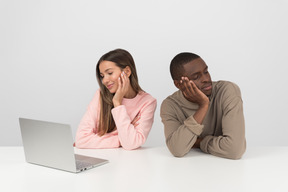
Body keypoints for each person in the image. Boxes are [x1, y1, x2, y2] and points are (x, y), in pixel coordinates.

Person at [160, 52, 246, 159]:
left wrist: (199, 143)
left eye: (206, 71)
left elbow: (235, 150)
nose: (206, 79)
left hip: (225, 168)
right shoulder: (170, 105)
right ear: (178, 84)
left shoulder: (227, 91)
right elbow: (177, 149)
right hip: (187, 169)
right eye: (196, 77)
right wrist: (203, 106)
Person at [75, 49, 157, 150]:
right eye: (102, 76)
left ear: (127, 71)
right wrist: (120, 140)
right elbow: (81, 140)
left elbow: (131, 144)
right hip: (101, 158)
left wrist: (117, 103)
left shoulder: (148, 102)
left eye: (109, 73)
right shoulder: (100, 95)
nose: (104, 80)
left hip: (126, 161)